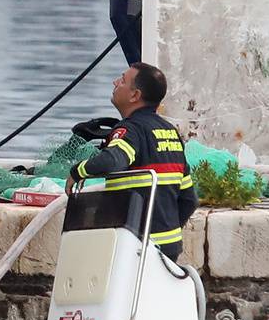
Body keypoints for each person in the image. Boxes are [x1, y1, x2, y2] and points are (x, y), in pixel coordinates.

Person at [70, 62, 197, 257]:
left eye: (122, 80)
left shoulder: (131, 130)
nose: (115, 82)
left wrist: (77, 172)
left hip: (134, 247)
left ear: (134, 95)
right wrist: (167, 232)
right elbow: (189, 200)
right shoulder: (171, 133)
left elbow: (112, 161)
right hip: (169, 247)